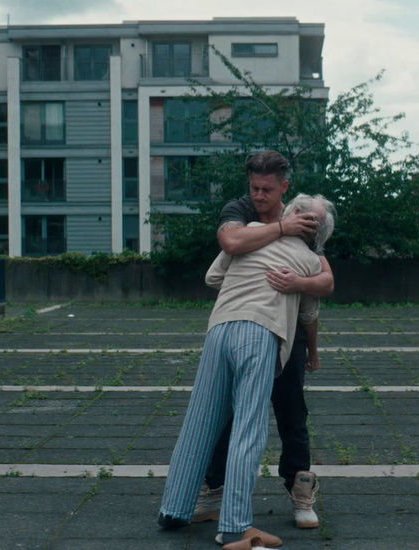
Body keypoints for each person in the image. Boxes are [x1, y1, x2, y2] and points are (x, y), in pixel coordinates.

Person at [158, 194, 337, 550]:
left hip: (219, 328)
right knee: (248, 429)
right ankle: (236, 528)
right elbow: (308, 315)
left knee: (199, 421)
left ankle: (174, 508)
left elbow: (213, 276)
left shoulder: (252, 229)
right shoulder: (309, 260)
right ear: (318, 235)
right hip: (259, 332)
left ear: (291, 213)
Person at [195, 150, 333, 531]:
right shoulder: (240, 208)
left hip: (287, 332)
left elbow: (325, 283)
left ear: (283, 188)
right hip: (244, 327)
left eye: (267, 190)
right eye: (254, 188)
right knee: (227, 412)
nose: (258, 196)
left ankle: (299, 486)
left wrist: (297, 284)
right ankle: (215, 488)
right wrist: (279, 231)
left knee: (291, 412)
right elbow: (231, 243)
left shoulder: (304, 217)